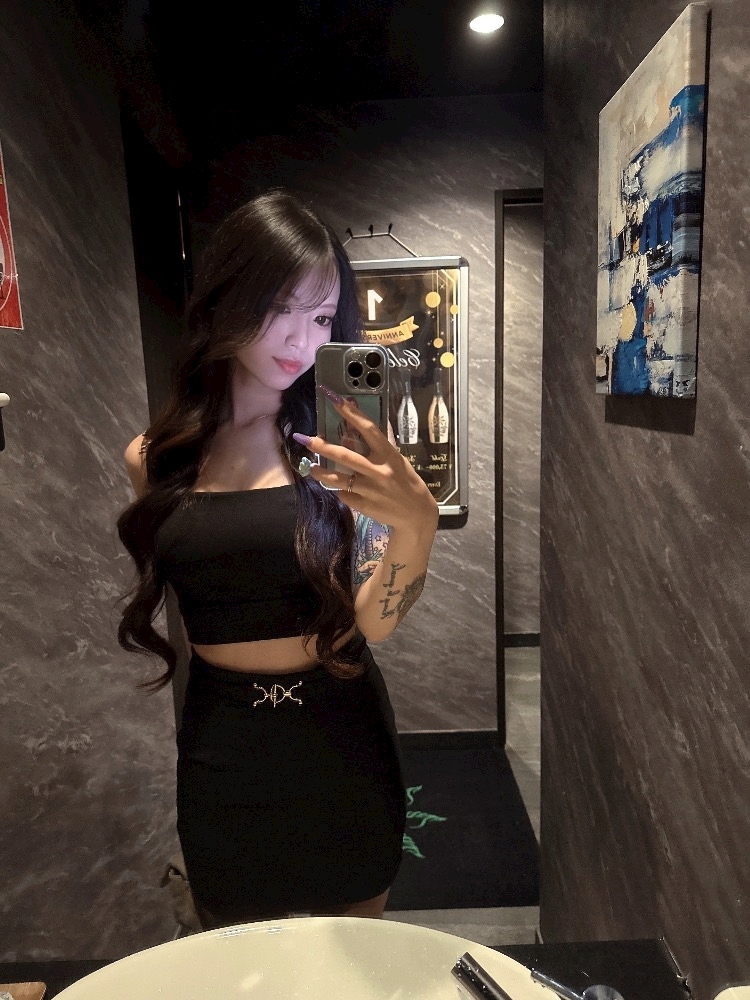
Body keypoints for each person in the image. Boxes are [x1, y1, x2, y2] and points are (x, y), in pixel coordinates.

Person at [117, 189, 439, 929]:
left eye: (322, 318)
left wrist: (416, 525)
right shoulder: (154, 460)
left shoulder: (340, 452)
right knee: (237, 958)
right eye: (280, 307)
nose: (302, 339)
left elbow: (374, 624)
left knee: (354, 956)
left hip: (342, 738)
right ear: (227, 298)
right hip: (224, 748)